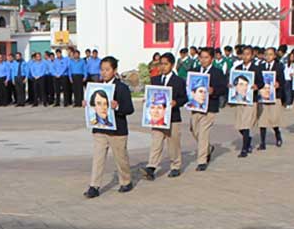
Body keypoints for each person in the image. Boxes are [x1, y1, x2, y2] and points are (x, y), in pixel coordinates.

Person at [84, 56, 134, 199]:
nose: (104, 73)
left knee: (121, 158)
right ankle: (94, 186)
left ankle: (126, 181)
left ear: (114, 70)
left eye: (107, 69)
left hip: (117, 131)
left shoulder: (122, 88)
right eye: (102, 70)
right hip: (100, 129)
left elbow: (129, 109)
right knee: (98, 158)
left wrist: (117, 106)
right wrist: (87, 104)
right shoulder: (97, 87)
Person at [142, 52, 187, 180]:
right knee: (156, 142)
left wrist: (176, 102)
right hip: (158, 119)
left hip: (173, 118)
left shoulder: (178, 81)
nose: (163, 67)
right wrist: (148, 101)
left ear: (172, 65)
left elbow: (184, 98)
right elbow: (152, 95)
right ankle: (151, 167)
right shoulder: (155, 80)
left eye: (166, 64)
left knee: (173, 143)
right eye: (161, 64)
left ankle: (175, 166)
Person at [189, 47, 228, 171]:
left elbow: (223, 88)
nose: (203, 60)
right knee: (194, 130)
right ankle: (208, 148)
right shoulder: (194, 71)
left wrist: (214, 91)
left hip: (210, 107)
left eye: (206, 57)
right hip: (196, 106)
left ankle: (202, 160)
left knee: (203, 132)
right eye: (201, 57)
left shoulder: (217, 72)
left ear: (211, 58)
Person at [230, 46, 264, 158]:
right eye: (243, 54)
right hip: (239, 100)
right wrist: (230, 85)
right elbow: (231, 80)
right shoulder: (238, 68)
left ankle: (244, 148)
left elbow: (261, 83)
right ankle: (248, 139)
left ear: (252, 55)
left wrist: (257, 86)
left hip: (251, 100)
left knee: (246, 124)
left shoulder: (256, 68)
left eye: (248, 54)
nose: (245, 56)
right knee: (239, 125)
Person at [257, 47, 285, 149]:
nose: (268, 56)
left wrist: (279, 84)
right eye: (266, 54)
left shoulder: (279, 66)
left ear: (274, 56)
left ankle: (277, 135)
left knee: (274, 120)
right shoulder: (260, 66)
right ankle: (262, 142)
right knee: (262, 121)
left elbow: (283, 81)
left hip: (275, 96)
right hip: (263, 96)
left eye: (270, 54)